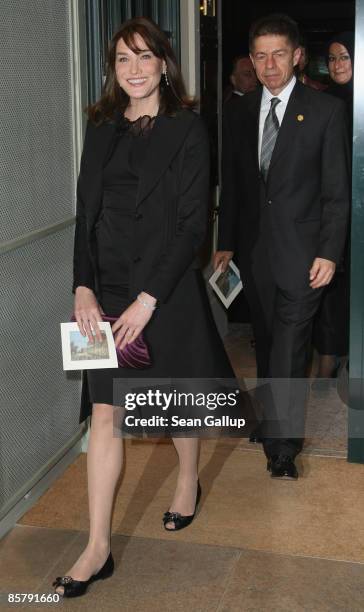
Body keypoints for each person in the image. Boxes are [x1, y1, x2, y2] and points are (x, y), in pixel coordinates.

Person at [53, 16, 236, 598]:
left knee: (172, 398)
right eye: (122, 59)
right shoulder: (101, 128)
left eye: (144, 57)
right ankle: (98, 545)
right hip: (104, 295)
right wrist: (82, 285)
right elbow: (87, 215)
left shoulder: (187, 129)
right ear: (113, 68)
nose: (133, 69)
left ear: (163, 62)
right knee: (104, 412)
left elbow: (190, 228)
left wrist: (148, 299)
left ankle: (187, 479)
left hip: (165, 290)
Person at [215, 13, 350, 480]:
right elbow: (233, 185)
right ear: (251, 59)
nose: (268, 65)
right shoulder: (237, 110)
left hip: (305, 253)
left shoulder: (326, 112)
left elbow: (337, 192)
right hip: (255, 253)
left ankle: (283, 447)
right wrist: (225, 243)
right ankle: (273, 421)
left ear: (296, 56)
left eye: (277, 54)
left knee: (292, 345)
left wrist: (330, 251)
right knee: (269, 340)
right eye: (259, 55)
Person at [312, 32, 354, 384]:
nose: (337, 65)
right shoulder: (325, 102)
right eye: (333, 58)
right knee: (332, 291)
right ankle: (328, 359)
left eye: (344, 57)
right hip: (334, 209)